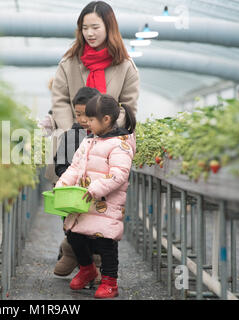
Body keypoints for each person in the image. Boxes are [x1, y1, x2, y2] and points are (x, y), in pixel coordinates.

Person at [55, 94, 136, 299]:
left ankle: (110, 282)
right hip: (83, 201)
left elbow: (119, 175)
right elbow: (75, 167)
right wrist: (63, 184)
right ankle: (87, 269)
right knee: (74, 234)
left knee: (105, 243)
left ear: (106, 120)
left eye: (91, 120)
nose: (86, 123)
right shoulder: (90, 140)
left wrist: (95, 189)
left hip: (104, 203)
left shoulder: (121, 144)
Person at [51, 1, 139, 132]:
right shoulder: (69, 63)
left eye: (95, 27)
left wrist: (104, 129)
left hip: (111, 140)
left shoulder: (125, 66)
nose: (89, 33)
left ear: (109, 28)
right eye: (85, 28)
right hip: (72, 139)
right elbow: (60, 101)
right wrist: (71, 132)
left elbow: (128, 107)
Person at [53, 87, 101, 279]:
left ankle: (95, 261)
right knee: (72, 225)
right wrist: (70, 179)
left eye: (86, 114)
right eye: (78, 114)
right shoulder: (70, 137)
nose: (82, 119)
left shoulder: (106, 137)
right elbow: (60, 165)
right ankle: (73, 253)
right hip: (73, 195)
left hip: (97, 194)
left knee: (97, 228)